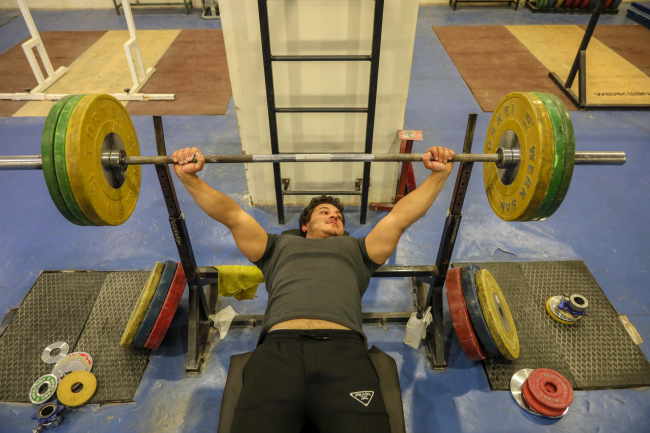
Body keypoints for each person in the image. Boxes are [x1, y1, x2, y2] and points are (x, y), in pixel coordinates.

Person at [172, 146, 455, 433]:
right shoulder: (276, 246)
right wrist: (189, 178)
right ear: (304, 226)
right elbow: (232, 215)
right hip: (278, 352)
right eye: (325, 212)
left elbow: (399, 217)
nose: (335, 217)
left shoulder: (359, 249)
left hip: (344, 354)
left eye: (339, 216)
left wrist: (438, 176)